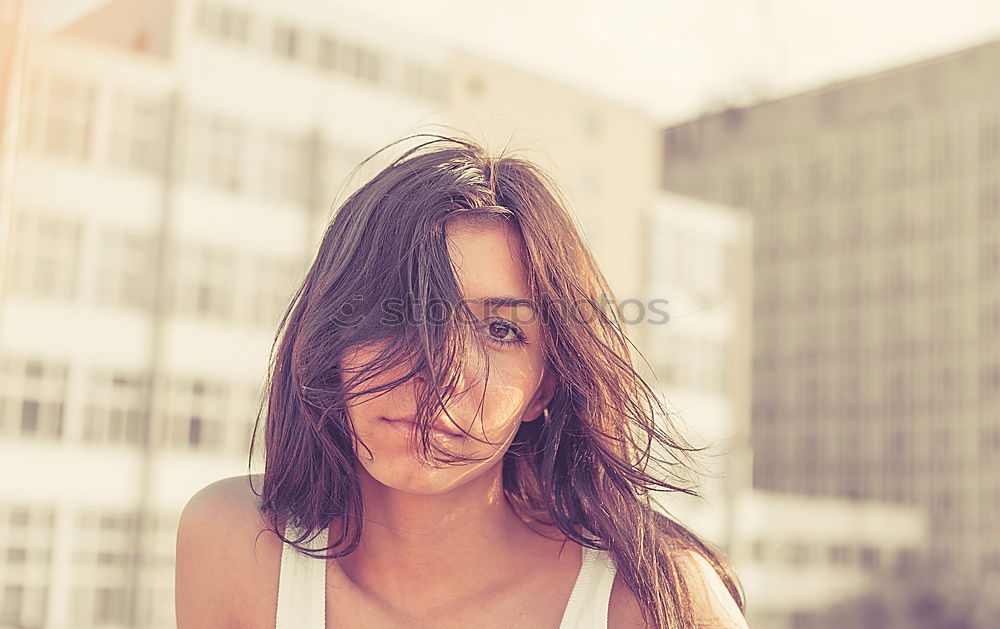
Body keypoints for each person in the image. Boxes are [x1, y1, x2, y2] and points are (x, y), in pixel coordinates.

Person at [175, 134, 749, 628]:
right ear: (334, 339)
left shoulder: (654, 602)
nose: (441, 375)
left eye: (501, 330)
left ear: (544, 387)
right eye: (404, 311)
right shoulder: (236, 548)